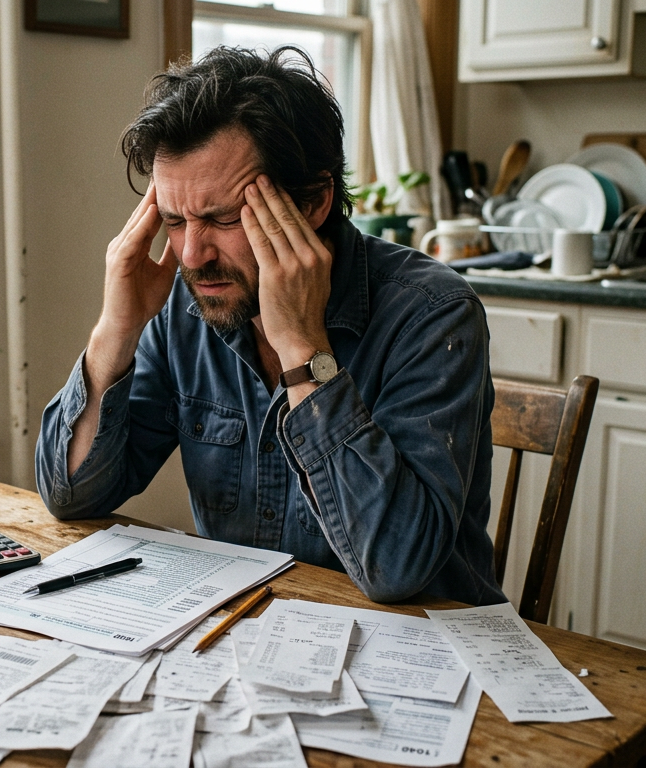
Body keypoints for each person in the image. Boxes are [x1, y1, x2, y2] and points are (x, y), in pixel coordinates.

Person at [34, 46, 504, 607]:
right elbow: (71, 495)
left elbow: (396, 568)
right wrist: (116, 330)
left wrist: (304, 350)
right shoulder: (189, 306)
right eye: (175, 220)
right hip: (246, 638)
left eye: (223, 218)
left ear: (313, 202)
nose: (191, 254)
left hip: (426, 655)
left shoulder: (433, 313)